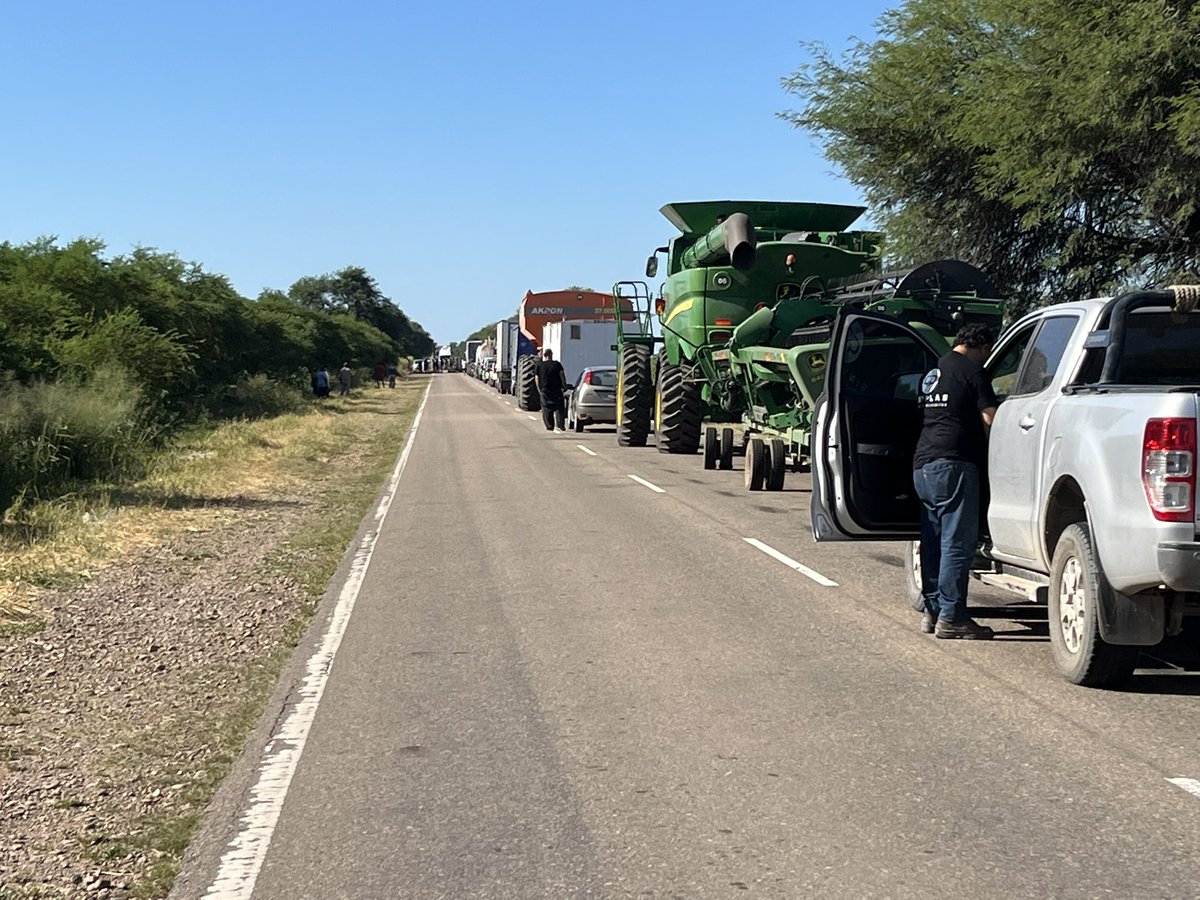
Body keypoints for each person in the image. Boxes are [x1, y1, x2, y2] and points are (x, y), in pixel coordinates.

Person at [912, 323, 999, 640]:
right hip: (955, 465)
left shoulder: (935, 371)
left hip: (923, 466)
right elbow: (990, 416)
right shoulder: (972, 371)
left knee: (933, 542)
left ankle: (932, 613)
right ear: (983, 347)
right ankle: (952, 617)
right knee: (956, 545)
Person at [534, 348, 567, 432]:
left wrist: (539, 389)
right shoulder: (557, 364)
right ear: (551, 355)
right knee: (559, 408)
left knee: (546, 408)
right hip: (557, 390)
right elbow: (562, 375)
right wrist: (564, 386)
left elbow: (537, 378)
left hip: (545, 389)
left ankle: (549, 425)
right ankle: (560, 425)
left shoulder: (539, 365)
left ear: (544, 355)